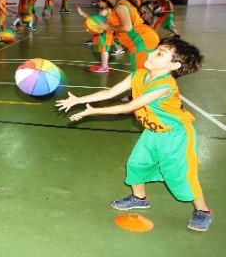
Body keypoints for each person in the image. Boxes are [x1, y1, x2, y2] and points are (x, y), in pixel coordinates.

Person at [56, 38, 213, 232]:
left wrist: (92, 111)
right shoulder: (138, 75)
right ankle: (139, 199)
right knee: (136, 164)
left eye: (160, 54)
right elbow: (111, 92)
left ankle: (203, 211)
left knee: (182, 176)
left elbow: (129, 107)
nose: (150, 54)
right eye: (155, 50)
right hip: (153, 132)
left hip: (176, 137)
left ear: (174, 65)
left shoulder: (165, 86)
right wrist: (79, 100)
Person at [99, 0, 159, 73]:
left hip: (141, 42)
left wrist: (107, 27)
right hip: (144, 39)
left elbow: (127, 27)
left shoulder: (120, 6)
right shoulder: (121, 4)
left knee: (139, 75)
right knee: (146, 74)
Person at [77, 0, 114, 73]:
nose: (98, 3)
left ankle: (104, 67)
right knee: (104, 49)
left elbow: (93, 20)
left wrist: (83, 14)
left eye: (99, 1)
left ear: (105, 2)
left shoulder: (104, 11)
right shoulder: (110, 10)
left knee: (103, 50)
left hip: (103, 33)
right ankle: (104, 65)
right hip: (107, 32)